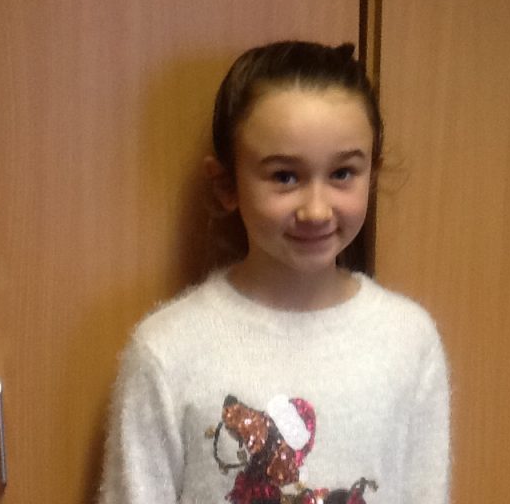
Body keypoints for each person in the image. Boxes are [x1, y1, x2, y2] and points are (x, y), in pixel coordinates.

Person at [98, 41, 451, 504]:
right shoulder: (167, 351)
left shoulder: (409, 341)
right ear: (227, 185)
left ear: (373, 172)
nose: (316, 210)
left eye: (343, 173)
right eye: (285, 176)